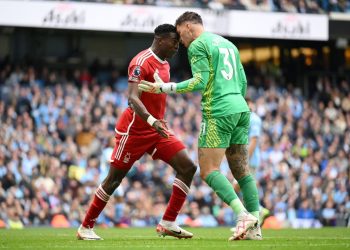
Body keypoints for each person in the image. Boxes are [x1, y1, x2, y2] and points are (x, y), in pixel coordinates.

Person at [139, 12, 261, 240]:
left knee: (208, 170)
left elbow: (199, 82)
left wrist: (165, 88)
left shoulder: (197, 45)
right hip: (241, 108)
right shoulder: (228, 44)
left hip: (219, 111)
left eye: (180, 35)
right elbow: (243, 81)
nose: (180, 42)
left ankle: (242, 215)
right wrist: (237, 104)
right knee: (242, 171)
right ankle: (255, 228)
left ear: (187, 27)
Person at [77, 24, 197, 240]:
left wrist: (157, 120)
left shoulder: (166, 65)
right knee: (113, 180)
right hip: (134, 131)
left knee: (188, 167)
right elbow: (132, 98)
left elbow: (156, 97)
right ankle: (86, 227)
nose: (178, 46)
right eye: (174, 41)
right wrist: (152, 120)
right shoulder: (141, 62)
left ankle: (168, 221)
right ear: (160, 40)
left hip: (156, 129)